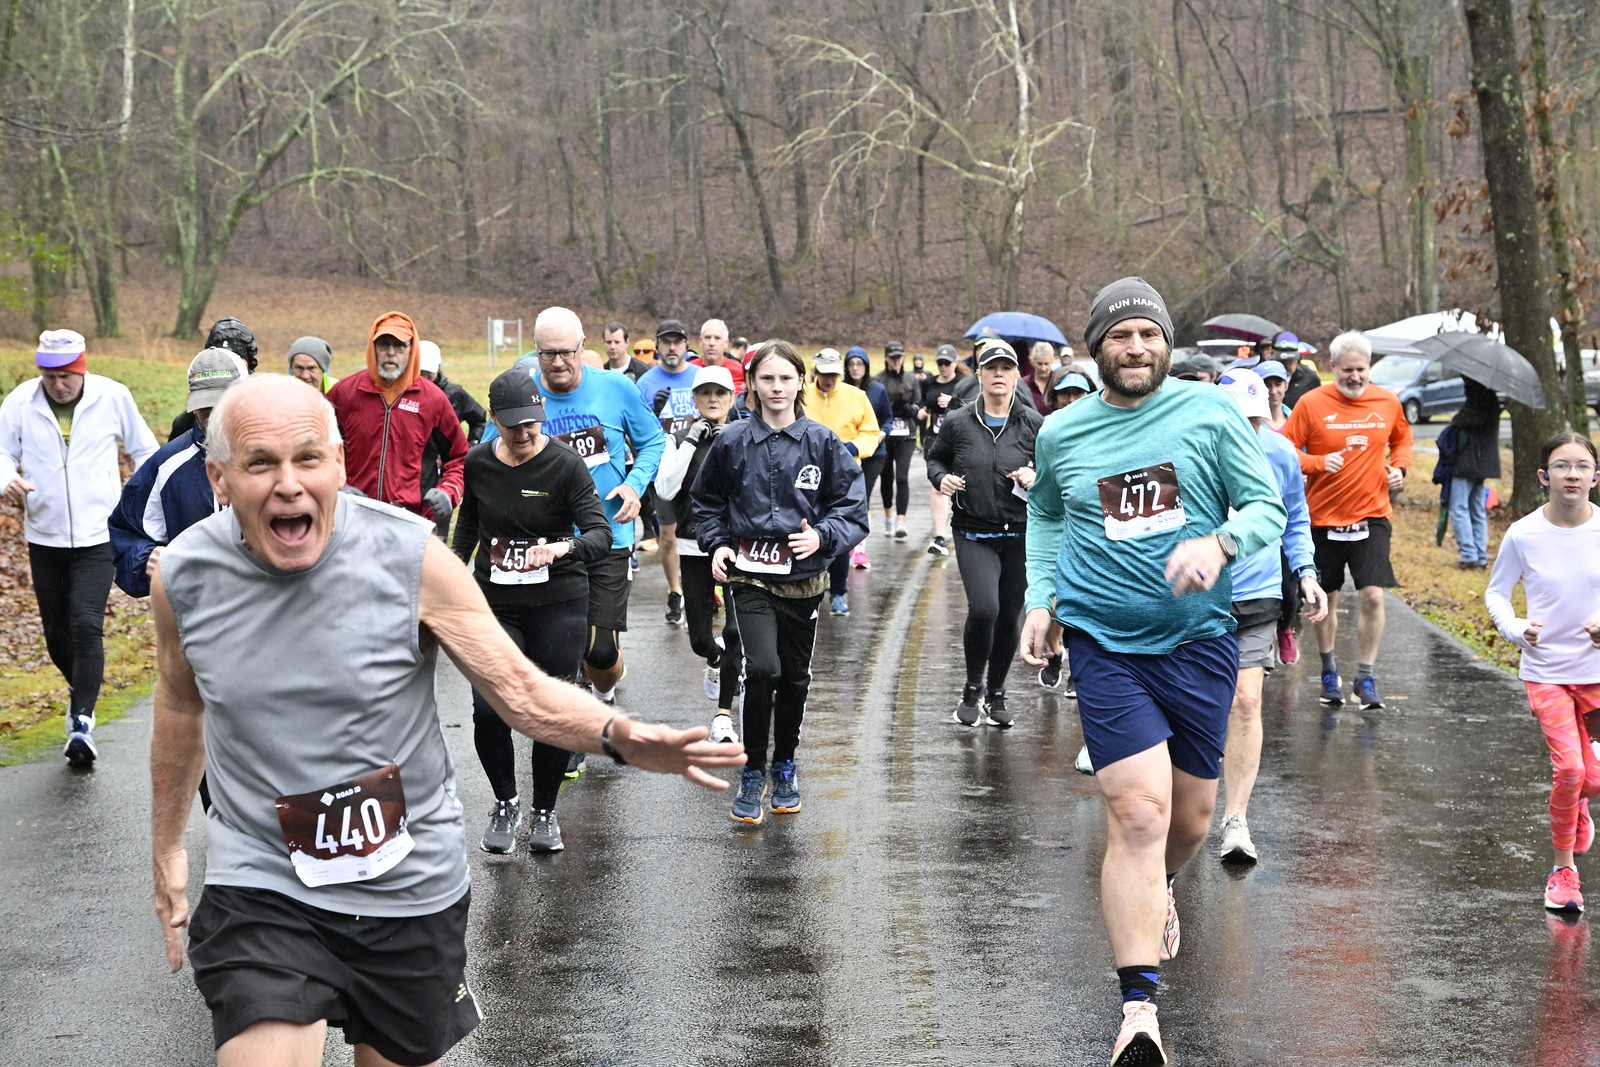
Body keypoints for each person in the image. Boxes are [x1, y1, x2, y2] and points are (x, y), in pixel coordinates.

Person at [150, 374, 742, 1067]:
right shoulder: (185, 574)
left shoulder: (412, 559)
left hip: (405, 881)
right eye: (260, 463)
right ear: (219, 477)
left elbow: (518, 689)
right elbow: (180, 704)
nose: (288, 484)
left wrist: (620, 735)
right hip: (264, 878)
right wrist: (168, 847)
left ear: (340, 463)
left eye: (308, 458)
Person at [1018, 278, 1286, 1065]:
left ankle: (1157, 885)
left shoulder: (1209, 413)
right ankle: (1139, 1008)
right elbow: (1047, 514)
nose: (1137, 347)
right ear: (1096, 344)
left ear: (1166, 344)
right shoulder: (1063, 431)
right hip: (1105, 645)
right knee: (1137, 813)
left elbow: (1264, 504)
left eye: (1149, 335)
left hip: (1199, 641)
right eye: (1121, 335)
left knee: (1191, 820)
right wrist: (1042, 598)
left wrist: (1220, 544)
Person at [691, 341, 869, 824]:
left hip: (804, 580)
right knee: (763, 669)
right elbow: (704, 503)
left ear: (800, 384)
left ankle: (784, 764)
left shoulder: (823, 442)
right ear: (752, 384)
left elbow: (852, 510)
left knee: (794, 678)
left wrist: (824, 538)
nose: (776, 388)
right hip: (749, 576)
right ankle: (753, 771)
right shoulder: (730, 441)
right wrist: (719, 544)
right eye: (767, 379)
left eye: (786, 379)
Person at [451, 366, 612, 854]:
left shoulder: (565, 465)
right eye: (513, 423)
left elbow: (600, 535)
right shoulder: (478, 463)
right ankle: (506, 801)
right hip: (497, 602)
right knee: (489, 709)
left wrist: (563, 550)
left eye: (532, 423)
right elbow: (468, 528)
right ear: (494, 417)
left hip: (558, 601)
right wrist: (454, 571)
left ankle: (545, 812)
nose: (524, 433)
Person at [1, 329, 158, 766]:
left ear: (82, 368)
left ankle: (82, 723)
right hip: (44, 534)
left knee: (85, 624)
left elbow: (146, 450)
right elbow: (0, 452)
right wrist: (6, 478)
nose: (58, 384)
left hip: (98, 534)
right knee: (56, 637)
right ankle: (83, 690)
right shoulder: (19, 403)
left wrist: (135, 500)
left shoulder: (112, 397)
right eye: (49, 376)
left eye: (67, 375)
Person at [1212, 369, 1328, 864]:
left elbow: (1296, 518)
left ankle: (1235, 817)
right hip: (1196, 593)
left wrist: (1305, 573)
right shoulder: (1192, 451)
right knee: (1193, 704)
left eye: (1257, 421)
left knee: (1245, 699)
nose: (1251, 432)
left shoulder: (1279, 451)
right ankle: (1181, 805)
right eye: (1241, 422)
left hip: (1258, 593)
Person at [523, 306, 665, 708]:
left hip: (608, 533)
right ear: (536, 352)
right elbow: (490, 455)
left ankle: (602, 690)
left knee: (600, 652)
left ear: (583, 347)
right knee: (558, 649)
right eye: (548, 353)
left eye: (566, 352)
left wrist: (635, 486)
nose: (558, 362)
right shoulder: (525, 396)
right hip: (546, 541)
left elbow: (653, 441)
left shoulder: (616, 389)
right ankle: (572, 729)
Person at [1486, 432, 1600, 913]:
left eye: (1581, 466)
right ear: (1543, 476)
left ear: (1596, 476)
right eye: (1561, 466)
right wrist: (1514, 627)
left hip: (1597, 675)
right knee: (1570, 768)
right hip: (1547, 670)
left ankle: (1578, 803)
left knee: (1590, 780)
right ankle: (1563, 870)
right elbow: (1496, 592)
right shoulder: (1524, 533)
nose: (1571, 474)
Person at [1281, 330, 1412, 711]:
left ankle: (1366, 677)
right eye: (1348, 370)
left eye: (1362, 370)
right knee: (1327, 598)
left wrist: (1400, 468)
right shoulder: (1311, 402)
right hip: (1321, 518)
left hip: (1372, 515)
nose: (1355, 377)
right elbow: (1285, 449)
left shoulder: (1387, 401)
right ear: (1332, 367)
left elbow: (1402, 440)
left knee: (1372, 595)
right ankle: (1328, 668)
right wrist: (1318, 463)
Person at [925, 338, 1042, 727]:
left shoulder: (1032, 424)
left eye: (1005, 368)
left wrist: (1036, 475)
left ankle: (996, 692)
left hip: (1020, 531)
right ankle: (972, 687)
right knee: (985, 608)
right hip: (973, 530)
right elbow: (935, 457)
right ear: (978, 373)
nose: (998, 374)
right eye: (990, 367)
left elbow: (1052, 472)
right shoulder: (959, 421)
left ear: (1014, 376)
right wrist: (941, 479)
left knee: (1009, 617)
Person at [654, 364, 744, 742]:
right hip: (693, 544)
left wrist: (732, 442)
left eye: (719, 393)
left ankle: (724, 716)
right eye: (705, 393)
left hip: (740, 545)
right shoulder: (677, 437)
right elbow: (665, 488)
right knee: (699, 639)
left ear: (732, 398)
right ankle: (717, 661)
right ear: (693, 399)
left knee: (736, 630)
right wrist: (691, 441)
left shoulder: (746, 434)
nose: (712, 399)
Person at [110, 349, 244, 600]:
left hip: (267, 609)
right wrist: (144, 558)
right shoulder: (168, 464)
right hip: (194, 612)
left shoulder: (276, 456)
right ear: (193, 408)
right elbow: (124, 531)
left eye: (222, 407)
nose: (215, 420)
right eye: (206, 410)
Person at [327, 311, 469, 532]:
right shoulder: (344, 394)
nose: (391, 353)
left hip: (413, 523)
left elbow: (459, 457)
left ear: (412, 350)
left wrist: (448, 491)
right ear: (372, 348)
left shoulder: (432, 399)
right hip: (352, 520)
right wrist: (337, 486)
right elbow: (316, 450)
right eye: (383, 344)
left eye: (400, 346)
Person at [804, 347, 882, 615]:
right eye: (824, 374)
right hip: (807, 476)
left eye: (834, 374)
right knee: (807, 533)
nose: (828, 379)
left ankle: (838, 592)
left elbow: (872, 433)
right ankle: (808, 593)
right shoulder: (801, 395)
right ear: (816, 371)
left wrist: (853, 448)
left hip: (844, 476)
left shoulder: (856, 396)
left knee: (839, 536)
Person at [637, 319, 700, 625]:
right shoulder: (646, 383)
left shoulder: (699, 376)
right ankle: (676, 592)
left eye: (677, 341)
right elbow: (634, 431)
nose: (672, 347)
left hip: (698, 471)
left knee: (704, 533)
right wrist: (653, 411)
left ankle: (704, 587)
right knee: (669, 537)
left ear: (686, 345)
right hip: (662, 470)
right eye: (666, 342)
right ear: (657, 346)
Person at [169, 316, 259, 440]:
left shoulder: (266, 411)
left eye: (236, 359)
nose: (229, 365)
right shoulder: (185, 423)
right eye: (222, 359)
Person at [843, 346, 892, 561]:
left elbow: (888, 419)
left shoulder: (877, 390)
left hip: (874, 453)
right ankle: (846, 542)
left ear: (866, 366)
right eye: (851, 364)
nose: (855, 368)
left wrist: (882, 433)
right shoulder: (840, 390)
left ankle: (861, 548)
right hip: (848, 453)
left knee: (863, 496)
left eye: (859, 364)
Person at [1446, 377, 1501, 569]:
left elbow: (1467, 420)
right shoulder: (1490, 396)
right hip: (1481, 463)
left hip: (1468, 461)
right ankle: (1480, 555)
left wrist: (1455, 417)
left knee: (1459, 508)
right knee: (1476, 510)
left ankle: (1469, 556)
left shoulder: (1479, 395)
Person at [875, 340, 924, 539]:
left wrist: (910, 409)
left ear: (903, 358)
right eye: (892, 357)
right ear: (886, 358)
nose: (896, 361)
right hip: (885, 434)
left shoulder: (912, 379)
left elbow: (919, 405)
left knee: (902, 477)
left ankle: (900, 521)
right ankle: (889, 516)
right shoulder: (877, 380)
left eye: (899, 357)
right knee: (886, 477)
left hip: (906, 435)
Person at [920, 345, 965, 556]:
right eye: (940, 363)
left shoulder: (962, 384)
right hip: (935, 438)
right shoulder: (929, 383)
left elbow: (974, 404)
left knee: (961, 486)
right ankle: (939, 537)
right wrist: (920, 410)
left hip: (959, 439)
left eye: (947, 363)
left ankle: (963, 528)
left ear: (955, 363)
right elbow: (922, 403)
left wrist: (953, 402)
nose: (944, 367)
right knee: (938, 485)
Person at [417, 340, 487, 445]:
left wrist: (472, 444)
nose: (423, 376)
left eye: (428, 371)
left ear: (438, 368)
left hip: (449, 459)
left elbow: (479, 420)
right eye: (419, 371)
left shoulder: (455, 393)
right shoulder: (403, 394)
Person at [694, 318, 745, 392]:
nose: (712, 343)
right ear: (700, 341)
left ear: (726, 343)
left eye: (717, 338)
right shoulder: (688, 371)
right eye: (707, 337)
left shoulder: (740, 371)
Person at [1025, 341, 1062, 413]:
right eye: (1039, 364)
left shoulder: (1059, 381)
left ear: (1052, 361)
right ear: (1032, 361)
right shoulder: (1024, 384)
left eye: (1046, 364)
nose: (1043, 368)